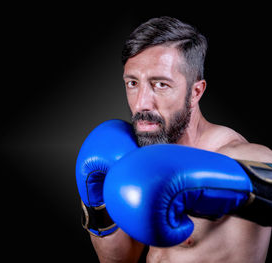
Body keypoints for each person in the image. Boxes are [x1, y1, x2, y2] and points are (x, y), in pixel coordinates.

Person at [76, 16, 272, 262]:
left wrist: (244, 186)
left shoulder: (234, 155)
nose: (141, 103)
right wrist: (97, 204)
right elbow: (120, 260)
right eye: (133, 83)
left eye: (160, 84)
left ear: (195, 91)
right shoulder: (141, 159)